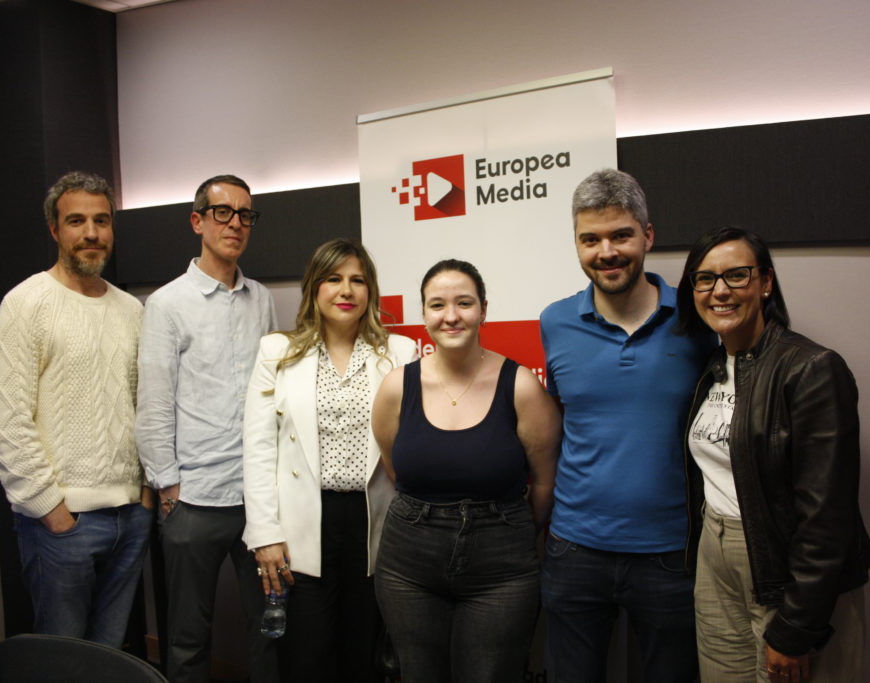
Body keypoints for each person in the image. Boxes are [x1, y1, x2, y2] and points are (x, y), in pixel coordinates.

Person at [539, 168, 717, 681]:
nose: (606, 252)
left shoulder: (696, 315)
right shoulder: (555, 321)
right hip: (574, 548)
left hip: (671, 551)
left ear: (648, 235)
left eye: (621, 235)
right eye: (589, 239)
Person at [676, 226, 870, 682]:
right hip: (715, 557)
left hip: (785, 569)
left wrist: (798, 626)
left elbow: (828, 516)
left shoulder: (811, 369)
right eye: (704, 279)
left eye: (736, 276)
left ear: (765, 282)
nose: (719, 291)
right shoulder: (712, 368)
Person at [0, 170, 152, 646]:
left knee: (109, 652)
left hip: (130, 516)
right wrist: (51, 509)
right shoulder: (26, 304)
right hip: (61, 525)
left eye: (102, 221)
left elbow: (145, 407)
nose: (92, 233)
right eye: (76, 221)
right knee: (61, 658)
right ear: (55, 230)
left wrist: (143, 493)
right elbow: (5, 421)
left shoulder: (132, 311)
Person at [372, 259, 560, 683]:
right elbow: (394, 468)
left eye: (464, 303)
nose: (451, 316)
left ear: (484, 310)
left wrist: (505, 529)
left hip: (502, 567)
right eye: (437, 305)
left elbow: (545, 480)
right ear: (423, 313)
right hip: (408, 566)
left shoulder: (522, 386)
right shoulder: (397, 387)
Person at [243, 238, 416, 682]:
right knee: (307, 656)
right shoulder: (277, 353)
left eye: (358, 280)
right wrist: (264, 533)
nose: (346, 290)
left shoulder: (400, 354)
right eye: (334, 279)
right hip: (302, 523)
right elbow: (259, 448)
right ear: (313, 289)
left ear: (370, 291)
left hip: (372, 523)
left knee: (363, 654)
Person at [136, 174, 278, 682]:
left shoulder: (261, 298)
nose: (236, 224)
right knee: (188, 638)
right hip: (193, 498)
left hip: (257, 498)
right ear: (197, 221)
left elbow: (270, 393)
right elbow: (152, 404)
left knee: (271, 628)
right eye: (223, 212)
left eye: (245, 215)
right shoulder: (167, 303)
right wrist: (168, 486)